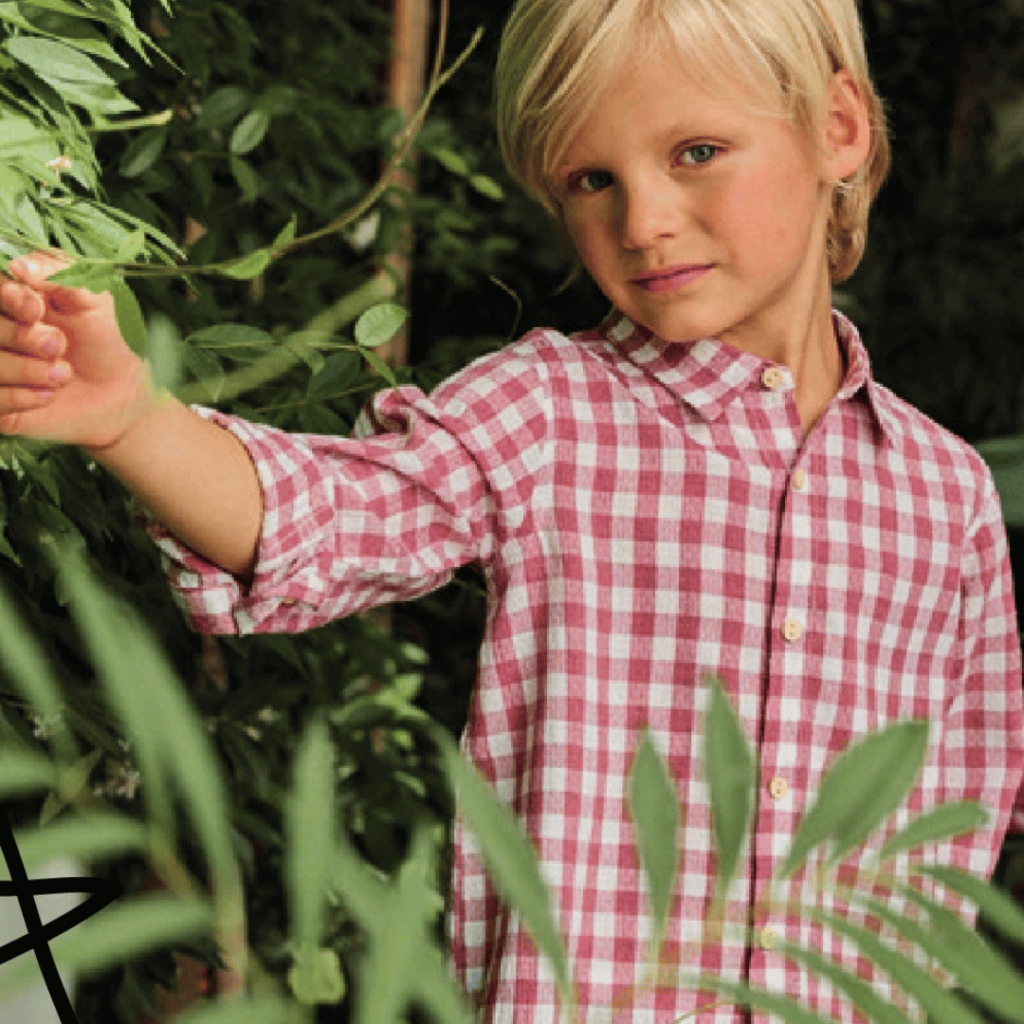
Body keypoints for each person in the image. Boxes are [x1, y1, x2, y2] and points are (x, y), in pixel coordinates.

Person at [1, 0, 1022, 1020]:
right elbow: (332, 515)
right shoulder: (546, 411)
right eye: (591, 179)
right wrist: (131, 418)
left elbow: (955, 833)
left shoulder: (945, 491)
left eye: (697, 151)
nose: (643, 220)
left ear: (837, 127)